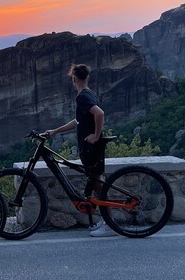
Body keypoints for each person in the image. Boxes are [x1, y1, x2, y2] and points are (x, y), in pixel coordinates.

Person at [44, 63, 116, 237]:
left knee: (99, 186)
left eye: (72, 78)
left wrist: (96, 135)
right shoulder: (89, 94)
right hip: (91, 147)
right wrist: (55, 131)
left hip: (90, 148)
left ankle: (110, 225)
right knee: (96, 185)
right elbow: (77, 122)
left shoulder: (82, 97)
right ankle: (106, 220)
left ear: (74, 79)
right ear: (87, 77)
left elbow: (99, 114)